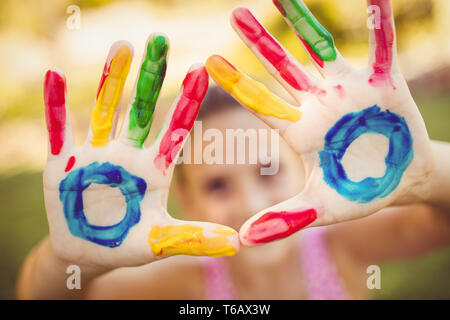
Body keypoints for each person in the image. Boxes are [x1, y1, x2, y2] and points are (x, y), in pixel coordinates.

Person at [17, 0, 450, 299]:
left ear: (305, 166)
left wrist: (429, 175)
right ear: (185, 200)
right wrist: (67, 260)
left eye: (267, 170)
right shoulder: (184, 282)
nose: (249, 202)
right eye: (218, 185)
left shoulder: (345, 246)